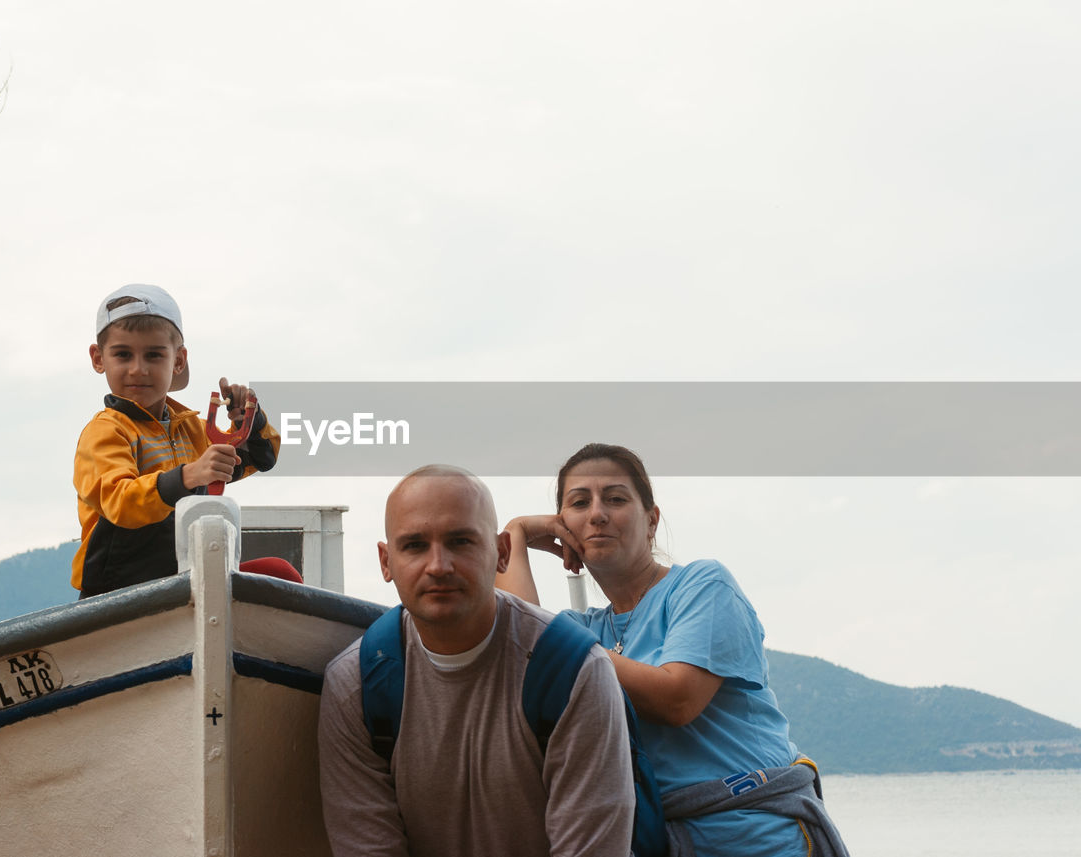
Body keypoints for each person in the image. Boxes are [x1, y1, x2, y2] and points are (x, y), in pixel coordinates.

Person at [499, 443, 848, 857]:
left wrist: (562, 648)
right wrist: (517, 531)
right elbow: (520, 637)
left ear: (651, 521)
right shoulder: (585, 629)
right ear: (564, 526)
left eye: (615, 498)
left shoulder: (702, 586)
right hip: (660, 841)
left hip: (755, 836)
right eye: (579, 502)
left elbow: (677, 699)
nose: (597, 513)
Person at [318, 465, 635, 857]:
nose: (438, 566)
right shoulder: (357, 685)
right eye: (414, 545)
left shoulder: (571, 670)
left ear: (502, 553)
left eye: (461, 541)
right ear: (386, 562)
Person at [72, 284, 299, 598]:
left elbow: (263, 458)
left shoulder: (191, 429)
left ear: (178, 361)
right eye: (123, 354)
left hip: (186, 578)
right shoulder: (105, 431)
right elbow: (119, 502)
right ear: (99, 359)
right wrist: (191, 474)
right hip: (117, 589)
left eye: (154, 355)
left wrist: (251, 420)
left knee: (281, 573)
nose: (138, 369)